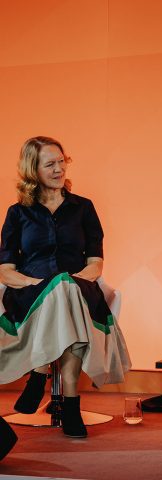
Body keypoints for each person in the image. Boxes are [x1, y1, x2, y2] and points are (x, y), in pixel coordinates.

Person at [0, 136, 131, 438]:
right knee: (58, 290)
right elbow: (6, 271)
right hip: (32, 295)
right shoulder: (17, 213)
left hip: (80, 289)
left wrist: (69, 283)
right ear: (33, 170)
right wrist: (40, 284)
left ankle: (38, 375)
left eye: (62, 161)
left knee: (65, 290)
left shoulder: (83, 208)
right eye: (51, 164)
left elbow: (96, 264)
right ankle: (71, 404)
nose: (59, 169)